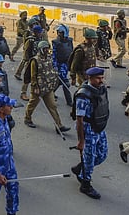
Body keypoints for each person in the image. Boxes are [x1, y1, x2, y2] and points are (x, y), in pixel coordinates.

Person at [72, 67, 109, 199]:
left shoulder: (101, 90)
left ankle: (80, 168)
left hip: (99, 127)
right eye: (98, 78)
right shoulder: (83, 95)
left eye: (102, 77)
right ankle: (85, 185)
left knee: (102, 154)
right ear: (90, 78)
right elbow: (79, 120)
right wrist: (81, 141)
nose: (101, 80)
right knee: (89, 158)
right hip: (88, 130)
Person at [23, 41, 70, 132]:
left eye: (47, 48)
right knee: (32, 104)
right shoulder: (35, 60)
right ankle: (27, 118)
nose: (46, 50)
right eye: (45, 49)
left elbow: (52, 68)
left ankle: (59, 126)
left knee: (52, 106)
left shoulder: (49, 58)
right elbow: (33, 75)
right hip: (38, 88)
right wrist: (35, 87)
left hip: (48, 87)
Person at [17, 25, 44, 101]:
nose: (41, 33)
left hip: (38, 61)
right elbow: (26, 51)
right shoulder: (30, 40)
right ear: (36, 32)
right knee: (27, 77)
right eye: (40, 32)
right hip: (31, 61)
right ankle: (23, 93)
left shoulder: (40, 39)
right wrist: (28, 61)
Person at [52, 24, 73, 106]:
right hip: (60, 64)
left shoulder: (69, 41)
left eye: (60, 32)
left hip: (67, 64)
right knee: (65, 82)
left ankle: (50, 94)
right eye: (58, 32)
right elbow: (54, 55)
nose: (58, 34)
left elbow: (72, 52)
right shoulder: (56, 42)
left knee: (59, 81)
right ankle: (69, 101)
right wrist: (55, 66)